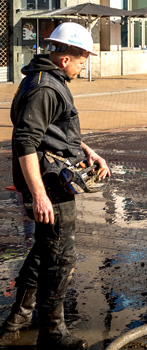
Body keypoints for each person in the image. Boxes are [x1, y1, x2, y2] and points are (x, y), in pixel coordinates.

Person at [1, 22, 110, 350]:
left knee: (44, 249)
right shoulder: (46, 88)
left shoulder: (45, 80)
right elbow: (25, 140)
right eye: (82, 59)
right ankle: (53, 332)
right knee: (60, 256)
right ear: (65, 58)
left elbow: (54, 131)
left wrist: (88, 152)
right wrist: (38, 194)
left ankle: (18, 320)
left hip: (50, 179)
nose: (84, 64)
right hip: (49, 185)